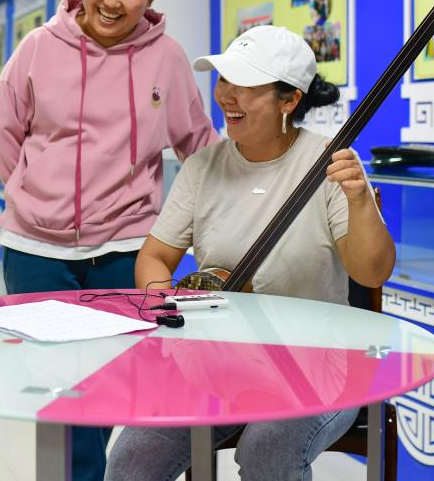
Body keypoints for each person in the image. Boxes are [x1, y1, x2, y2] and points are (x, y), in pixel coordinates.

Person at [0, 0, 219, 481]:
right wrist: (35, 190)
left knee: (108, 382)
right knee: (57, 384)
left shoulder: (167, 58)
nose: (113, 0)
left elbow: (199, 146)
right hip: (36, 250)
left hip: (126, 247)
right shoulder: (40, 46)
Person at [105, 25, 396, 481]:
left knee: (267, 451)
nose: (226, 95)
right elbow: (154, 256)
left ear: (289, 100)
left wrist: (359, 199)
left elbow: (372, 273)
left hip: (314, 361)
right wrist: (166, 307)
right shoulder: (203, 166)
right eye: (224, 79)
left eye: (245, 84)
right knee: (132, 458)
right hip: (217, 360)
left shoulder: (329, 163)